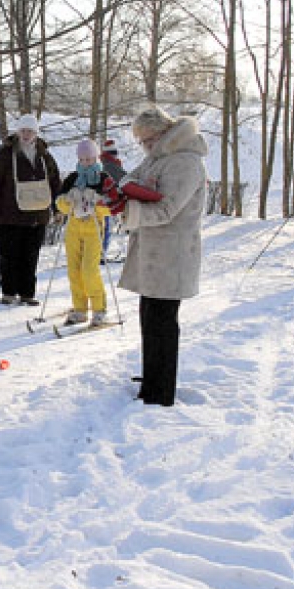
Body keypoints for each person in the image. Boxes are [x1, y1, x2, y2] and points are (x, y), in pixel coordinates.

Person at [115, 105, 207, 407]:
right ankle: (152, 377)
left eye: (148, 140)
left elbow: (168, 209)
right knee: (149, 317)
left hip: (172, 254)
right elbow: (132, 177)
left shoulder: (185, 162)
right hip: (155, 254)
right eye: (141, 142)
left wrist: (130, 208)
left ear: (163, 132)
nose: (145, 147)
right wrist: (123, 191)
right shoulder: (159, 157)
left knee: (163, 323)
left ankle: (161, 390)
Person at [0, 114, 62, 305]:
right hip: (9, 215)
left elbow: (56, 183)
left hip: (37, 216)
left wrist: (58, 208)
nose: (26, 134)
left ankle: (27, 293)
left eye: (30, 131)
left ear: (36, 133)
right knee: (9, 255)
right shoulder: (6, 154)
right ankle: (8, 292)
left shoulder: (45, 156)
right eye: (23, 130)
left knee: (31, 256)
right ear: (18, 132)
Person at [54, 139, 113, 326]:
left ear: (96, 157)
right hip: (73, 226)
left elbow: (112, 207)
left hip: (93, 227)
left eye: (90, 159)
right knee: (74, 270)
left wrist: (97, 202)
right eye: (83, 159)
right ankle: (80, 309)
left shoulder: (104, 179)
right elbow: (59, 203)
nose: (86, 162)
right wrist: (67, 201)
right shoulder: (72, 178)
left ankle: (99, 308)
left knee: (89, 270)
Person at [99, 139, 126, 262]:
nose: (115, 154)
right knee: (105, 228)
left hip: (107, 200)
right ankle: (100, 253)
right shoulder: (110, 165)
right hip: (108, 201)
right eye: (113, 152)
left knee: (104, 228)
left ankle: (100, 252)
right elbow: (124, 178)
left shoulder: (106, 163)